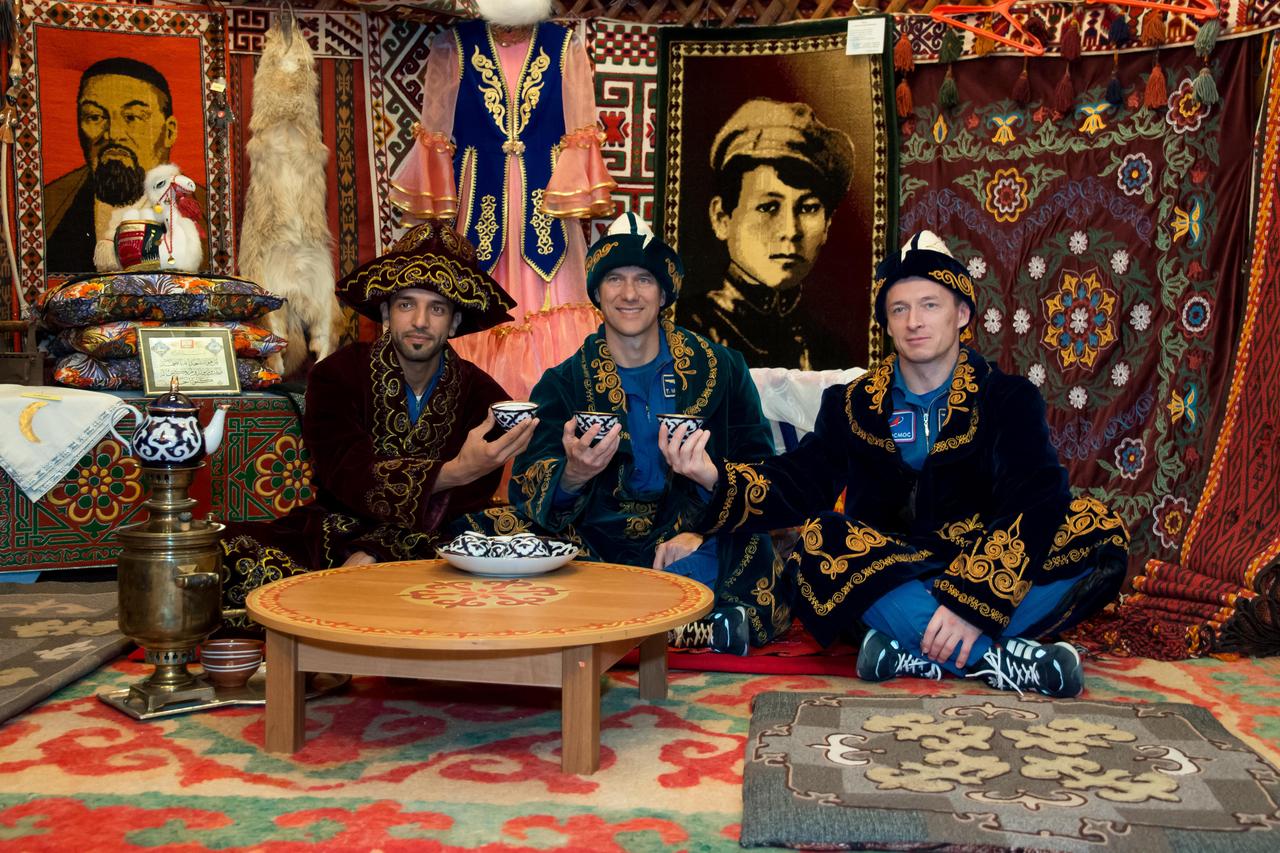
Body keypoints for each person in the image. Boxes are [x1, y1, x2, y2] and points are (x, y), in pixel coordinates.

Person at [662, 231, 1128, 697]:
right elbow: (800, 483)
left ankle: (907, 648)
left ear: (962, 314)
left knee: (1097, 530)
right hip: (886, 572)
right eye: (899, 309)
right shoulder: (851, 404)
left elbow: (1037, 495)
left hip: (981, 563)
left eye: (930, 305)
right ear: (886, 323)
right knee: (821, 542)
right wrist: (710, 473)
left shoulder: (1007, 398)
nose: (914, 322)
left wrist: (974, 602)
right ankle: (994, 661)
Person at [459, 213, 791, 655]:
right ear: (596, 292)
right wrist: (573, 474)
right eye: (615, 279)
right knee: (483, 530)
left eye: (643, 280)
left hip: (688, 545)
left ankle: (609, 623)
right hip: (593, 548)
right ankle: (682, 625)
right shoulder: (564, 382)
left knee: (754, 543)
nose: (629, 294)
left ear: (664, 292)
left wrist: (704, 530)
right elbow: (526, 486)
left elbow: (761, 473)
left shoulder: (722, 368)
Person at [218, 221, 537, 631]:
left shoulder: (482, 393)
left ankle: (347, 609)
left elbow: (464, 502)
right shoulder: (336, 374)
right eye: (407, 304)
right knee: (224, 555)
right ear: (386, 310)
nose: (420, 320)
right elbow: (345, 473)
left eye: (437, 308)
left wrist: (381, 550)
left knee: (530, 540)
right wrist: (454, 471)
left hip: (436, 540)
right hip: (338, 529)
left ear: (454, 322)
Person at [389, 0, 614, 401]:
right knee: (476, 306)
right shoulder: (453, 46)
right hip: (478, 202)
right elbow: (436, 137)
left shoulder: (565, 47)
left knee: (555, 316)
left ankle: (547, 443)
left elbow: (580, 132)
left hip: (544, 205)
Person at [680, 98, 854, 370]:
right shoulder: (683, 332)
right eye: (768, 207)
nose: (790, 231)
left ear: (827, 225)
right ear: (722, 218)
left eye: (808, 208)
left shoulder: (831, 351)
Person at [44, 57, 205, 274]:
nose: (113, 134)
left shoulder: (201, 208)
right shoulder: (50, 207)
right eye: (95, 116)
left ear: (169, 132)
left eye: (133, 117)